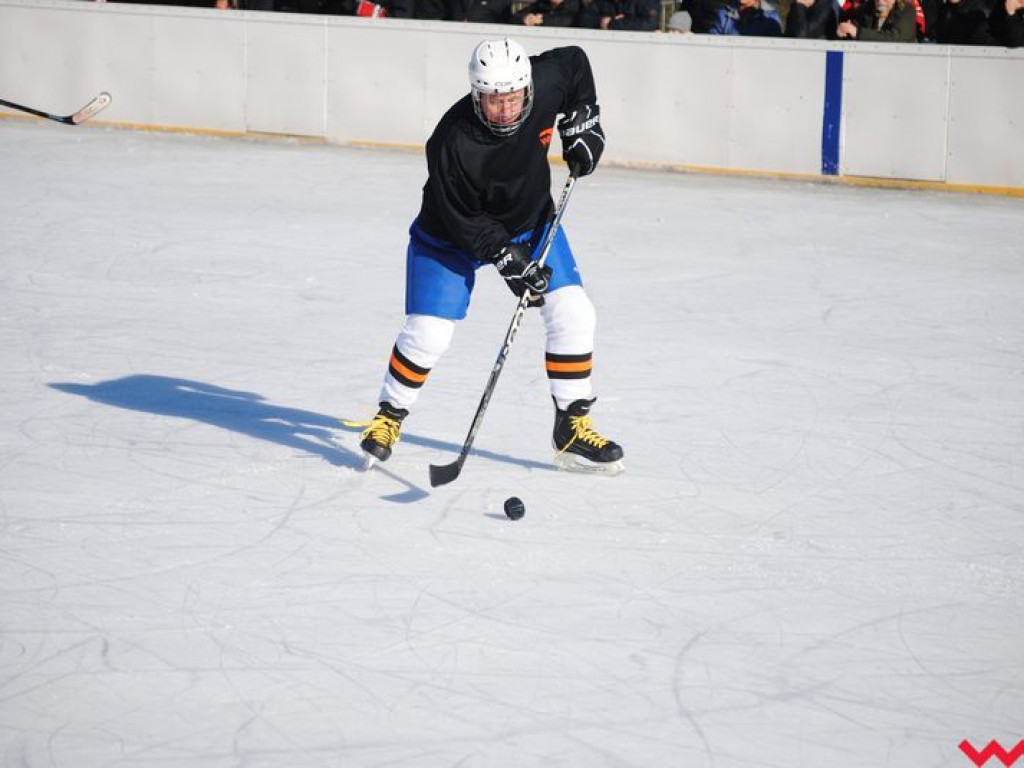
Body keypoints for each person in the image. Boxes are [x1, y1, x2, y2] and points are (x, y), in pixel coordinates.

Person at [354, 38, 624, 476]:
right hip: (450, 235)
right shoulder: (451, 140)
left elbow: (575, 62)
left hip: (531, 222)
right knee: (430, 332)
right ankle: (390, 415)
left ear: (527, 89)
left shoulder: (546, 80)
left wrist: (584, 119)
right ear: (476, 93)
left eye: (513, 99)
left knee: (574, 312)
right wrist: (503, 255)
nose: (504, 110)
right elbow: (461, 216)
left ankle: (572, 428)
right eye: (492, 100)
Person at [836, 0, 918, 39]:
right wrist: (845, 31)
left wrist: (858, 33)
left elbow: (897, 37)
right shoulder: (865, 9)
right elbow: (853, 28)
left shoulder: (907, 9)